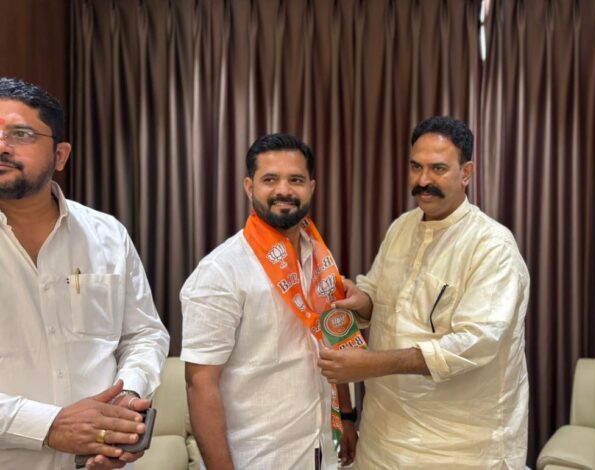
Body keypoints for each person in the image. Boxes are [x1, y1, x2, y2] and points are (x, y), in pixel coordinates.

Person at [318, 116, 530, 469]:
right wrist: (362, 301)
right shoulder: (402, 227)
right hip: (383, 436)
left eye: (438, 168)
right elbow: (379, 293)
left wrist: (371, 365)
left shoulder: (492, 246)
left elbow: (476, 343)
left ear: (466, 173)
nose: (422, 181)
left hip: (459, 448)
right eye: (416, 167)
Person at [0, 77, 169, 470]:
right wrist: (48, 426)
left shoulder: (107, 234)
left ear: (60, 155)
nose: (3, 146)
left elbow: (144, 334)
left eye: (21, 134)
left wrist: (127, 403)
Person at [181, 133, 358, 469]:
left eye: (296, 180)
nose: (284, 190)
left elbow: (331, 339)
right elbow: (200, 384)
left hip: (322, 449)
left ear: (312, 187)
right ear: (249, 187)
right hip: (256, 458)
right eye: (270, 179)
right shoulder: (220, 271)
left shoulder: (319, 257)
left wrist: (346, 416)